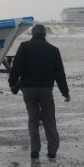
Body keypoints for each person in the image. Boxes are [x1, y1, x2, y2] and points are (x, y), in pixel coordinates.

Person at [8, 23, 70, 159]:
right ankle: (52, 151)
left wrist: (12, 83)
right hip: (46, 89)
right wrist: (65, 92)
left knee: (33, 119)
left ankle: (35, 151)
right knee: (49, 119)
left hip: (28, 89)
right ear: (45, 34)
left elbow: (16, 67)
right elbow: (60, 74)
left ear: (32, 34)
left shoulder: (24, 47)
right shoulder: (53, 50)